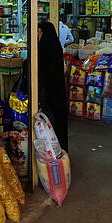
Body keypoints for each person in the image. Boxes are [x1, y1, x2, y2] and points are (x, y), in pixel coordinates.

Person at [38, 21, 69, 152]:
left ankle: (52, 147)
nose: (38, 35)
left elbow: (42, 69)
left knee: (50, 119)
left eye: (39, 32)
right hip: (55, 91)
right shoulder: (54, 45)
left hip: (50, 90)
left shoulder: (46, 48)